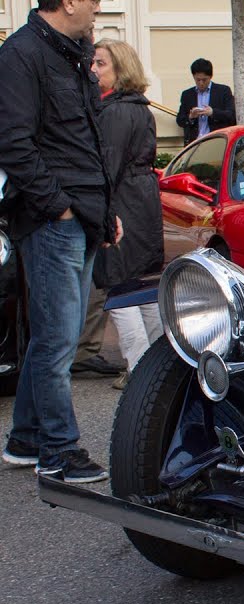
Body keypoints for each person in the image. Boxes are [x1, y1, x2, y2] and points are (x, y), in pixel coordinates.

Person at [0, 0, 121, 482]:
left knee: (55, 337)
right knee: (57, 340)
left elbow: (89, 140)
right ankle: (59, 451)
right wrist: (59, 206)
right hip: (53, 218)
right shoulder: (21, 53)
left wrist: (103, 210)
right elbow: (11, 141)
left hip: (82, 212)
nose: (98, 5)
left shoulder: (75, 51)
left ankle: (26, 440)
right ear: (69, 1)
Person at [91, 39, 164, 390]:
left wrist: (102, 212)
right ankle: (156, 369)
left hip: (123, 204)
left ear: (119, 69)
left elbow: (108, 167)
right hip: (141, 201)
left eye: (100, 64)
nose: (93, 69)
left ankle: (139, 370)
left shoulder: (116, 111)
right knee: (143, 289)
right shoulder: (139, 108)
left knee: (121, 291)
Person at [176, 58, 236, 145]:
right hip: (194, 143)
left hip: (217, 141)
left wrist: (213, 112)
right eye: (197, 80)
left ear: (211, 76)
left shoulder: (223, 91)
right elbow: (180, 120)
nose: (201, 83)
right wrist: (191, 116)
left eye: (204, 80)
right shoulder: (187, 94)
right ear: (193, 77)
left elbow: (231, 115)